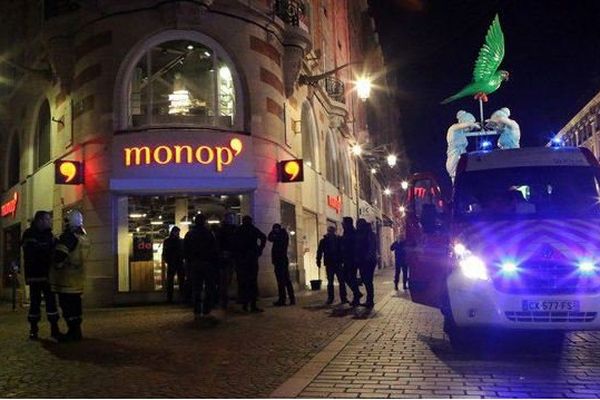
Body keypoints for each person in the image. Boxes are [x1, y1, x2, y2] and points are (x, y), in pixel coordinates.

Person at [49, 210, 90, 342]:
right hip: (78, 279)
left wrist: (56, 262)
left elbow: (60, 256)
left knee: (67, 307)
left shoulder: (68, 237)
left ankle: (72, 332)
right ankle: (77, 331)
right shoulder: (84, 236)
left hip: (66, 279)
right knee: (76, 306)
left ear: (68, 222)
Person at [21, 210, 61, 340]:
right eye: (47, 219)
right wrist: (48, 252)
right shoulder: (29, 234)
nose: (50, 221)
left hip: (48, 274)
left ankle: (54, 329)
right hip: (36, 275)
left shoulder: (49, 235)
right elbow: (32, 254)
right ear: (40, 221)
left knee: (51, 303)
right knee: (35, 302)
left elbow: (54, 250)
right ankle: (33, 329)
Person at [184, 214, 219, 319]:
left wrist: (189, 262)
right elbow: (214, 249)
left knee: (196, 288)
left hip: (195, 263)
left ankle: (197, 309)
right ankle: (206, 309)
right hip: (207, 263)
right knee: (209, 287)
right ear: (204, 222)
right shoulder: (209, 234)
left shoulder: (190, 234)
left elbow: (185, 250)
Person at [234, 215, 266, 312]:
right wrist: (259, 250)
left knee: (243, 282)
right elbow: (263, 237)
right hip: (251, 258)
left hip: (242, 259)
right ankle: (252, 305)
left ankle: (245, 304)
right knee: (252, 282)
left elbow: (233, 243)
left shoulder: (239, 230)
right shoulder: (253, 229)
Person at [316, 225, 347, 305]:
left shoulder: (338, 239)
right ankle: (331, 298)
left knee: (340, 281)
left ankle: (342, 298)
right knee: (331, 282)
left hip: (337, 262)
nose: (331, 232)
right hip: (331, 263)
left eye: (332, 231)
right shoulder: (324, 241)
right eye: (330, 231)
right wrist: (318, 260)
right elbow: (319, 251)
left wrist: (343, 259)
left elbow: (343, 250)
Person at [268, 223, 295, 306]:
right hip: (281, 260)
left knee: (282, 281)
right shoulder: (282, 234)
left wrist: (274, 232)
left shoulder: (281, 235)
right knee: (286, 281)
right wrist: (273, 232)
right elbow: (269, 238)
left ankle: (282, 300)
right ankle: (290, 299)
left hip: (280, 260)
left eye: (275, 229)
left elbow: (271, 238)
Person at [215, 212, 238, 310]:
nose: (232, 220)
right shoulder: (229, 230)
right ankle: (224, 299)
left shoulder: (224, 230)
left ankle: (224, 299)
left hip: (227, 257)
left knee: (226, 279)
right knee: (225, 279)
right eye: (231, 218)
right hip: (226, 258)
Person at [355, 219, 377, 309]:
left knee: (368, 281)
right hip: (363, 260)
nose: (357, 226)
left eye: (358, 224)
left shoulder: (369, 234)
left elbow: (372, 247)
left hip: (368, 261)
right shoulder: (362, 233)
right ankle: (369, 300)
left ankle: (370, 300)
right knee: (366, 280)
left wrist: (368, 257)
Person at [341, 217, 362, 306]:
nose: (342, 224)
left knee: (349, 277)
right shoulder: (347, 232)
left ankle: (356, 294)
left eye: (343, 223)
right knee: (348, 277)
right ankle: (356, 293)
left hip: (351, 259)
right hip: (348, 259)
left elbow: (353, 246)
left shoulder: (351, 233)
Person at [162, 226, 185, 303]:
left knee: (170, 281)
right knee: (181, 280)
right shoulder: (181, 241)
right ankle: (182, 297)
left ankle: (170, 298)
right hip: (179, 262)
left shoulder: (167, 241)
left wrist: (167, 260)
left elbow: (164, 252)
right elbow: (183, 251)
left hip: (172, 263)